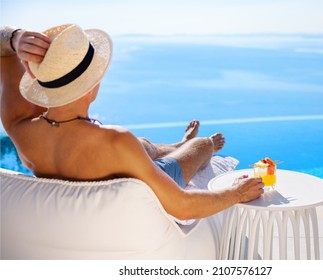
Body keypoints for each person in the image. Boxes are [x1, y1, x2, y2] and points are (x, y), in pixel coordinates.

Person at [0, 24, 264, 220]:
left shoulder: (20, 125)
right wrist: (237, 193)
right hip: (143, 173)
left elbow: (4, 52)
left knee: (143, 145)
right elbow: (182, 206)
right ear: (93, 86)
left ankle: (177, 144)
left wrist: (15, 38)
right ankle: (190, 145)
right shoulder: (116, 140)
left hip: (114, 158)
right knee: (203, 145)